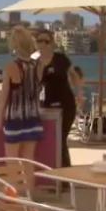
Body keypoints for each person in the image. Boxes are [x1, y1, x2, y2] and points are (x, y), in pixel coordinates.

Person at [34, 29, 83, 167]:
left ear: (52, 43)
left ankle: (64, 177)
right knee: (52, 140)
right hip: (48, 104)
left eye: (46, 41)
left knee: (60, 139)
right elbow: (36, 81)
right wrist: (41, 64)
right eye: (40, 41)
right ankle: (57, 174)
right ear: (36, 43)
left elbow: (74, 75)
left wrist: (79, 93)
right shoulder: (35, 60)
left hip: (66, 103)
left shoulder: (61, 58)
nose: (43, 44)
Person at [0, 26, 43, 159]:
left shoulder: (11, 67)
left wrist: (0, 118)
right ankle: (28, 182)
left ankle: (12, 181)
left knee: (12, 162)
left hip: (15, 120)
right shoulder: (38, 66)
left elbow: (4, 97)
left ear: (15, 45)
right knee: (29, 162)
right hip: (33, 118)